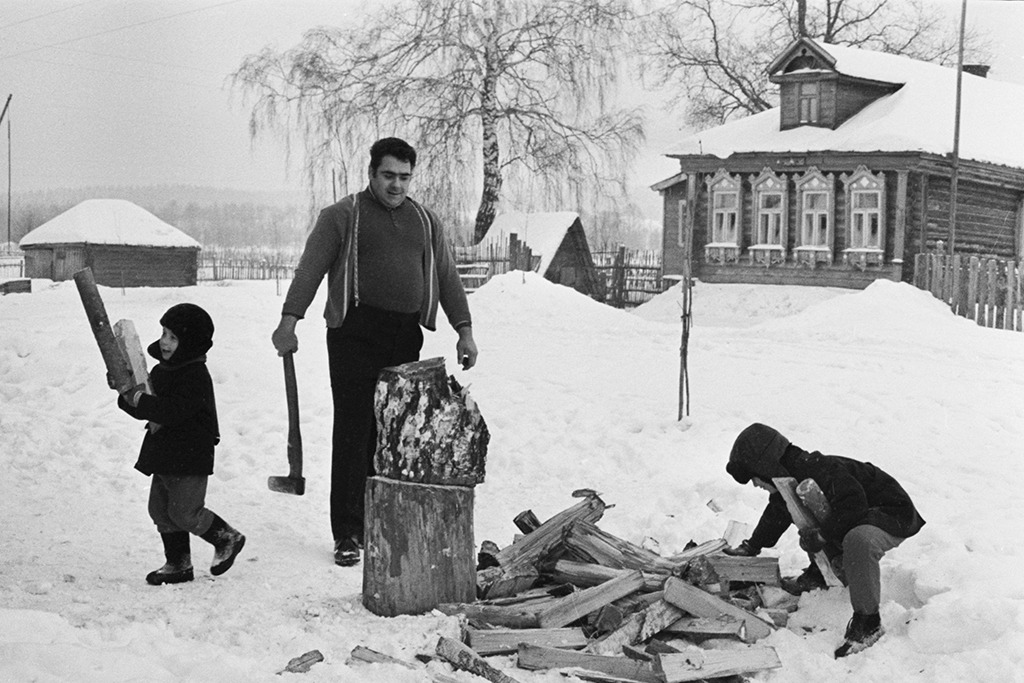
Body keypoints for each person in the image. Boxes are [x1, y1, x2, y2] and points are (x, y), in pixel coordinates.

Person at [271, 137, 478, 568]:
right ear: (371, 173)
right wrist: (289, 320)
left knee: (393, 433)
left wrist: (465, 330)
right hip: (354, 332)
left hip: (404, 335)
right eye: (388, 175)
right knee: (354, 428)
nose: (396, 185)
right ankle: (347, 532)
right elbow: (310, 269)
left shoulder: (425, 221)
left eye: (404, 177)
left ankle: (378, 522)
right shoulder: (342, 216)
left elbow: (446, 276)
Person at [722, 423, 925, 658]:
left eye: (755, 477)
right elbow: (778, 512)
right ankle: (819, 574)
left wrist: (822, 536)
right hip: (864, 512)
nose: (756, 484)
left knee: (858, 540)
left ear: (764, 466)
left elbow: (853, 505)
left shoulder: (821, 469)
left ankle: (868, 623)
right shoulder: (791, 476)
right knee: (807, 514)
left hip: (891, 512)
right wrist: (752, 546)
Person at [117, 303, 246, 585]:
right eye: (164, 333)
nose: (164, 342)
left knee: (185, 512)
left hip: (190, 454)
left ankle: (227, 538)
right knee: (160, 510)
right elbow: (147, 406)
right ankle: (178, 564)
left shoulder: (195, 375)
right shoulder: (162, 370)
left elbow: (172, 411)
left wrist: (140, 400)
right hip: (165, 452)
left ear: (190, 342)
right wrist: (125, 393)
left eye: (173, 337)